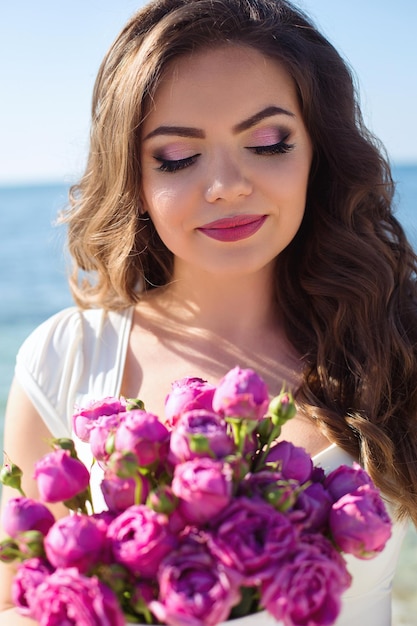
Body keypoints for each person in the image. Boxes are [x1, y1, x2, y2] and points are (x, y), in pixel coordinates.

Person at [1, 0, 417, 623]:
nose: (226, 184)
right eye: (177, 156)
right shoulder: (66, 357)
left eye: (269, 142)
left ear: (317, 154)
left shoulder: (397, 336)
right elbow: (17, 602)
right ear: (134, 176)